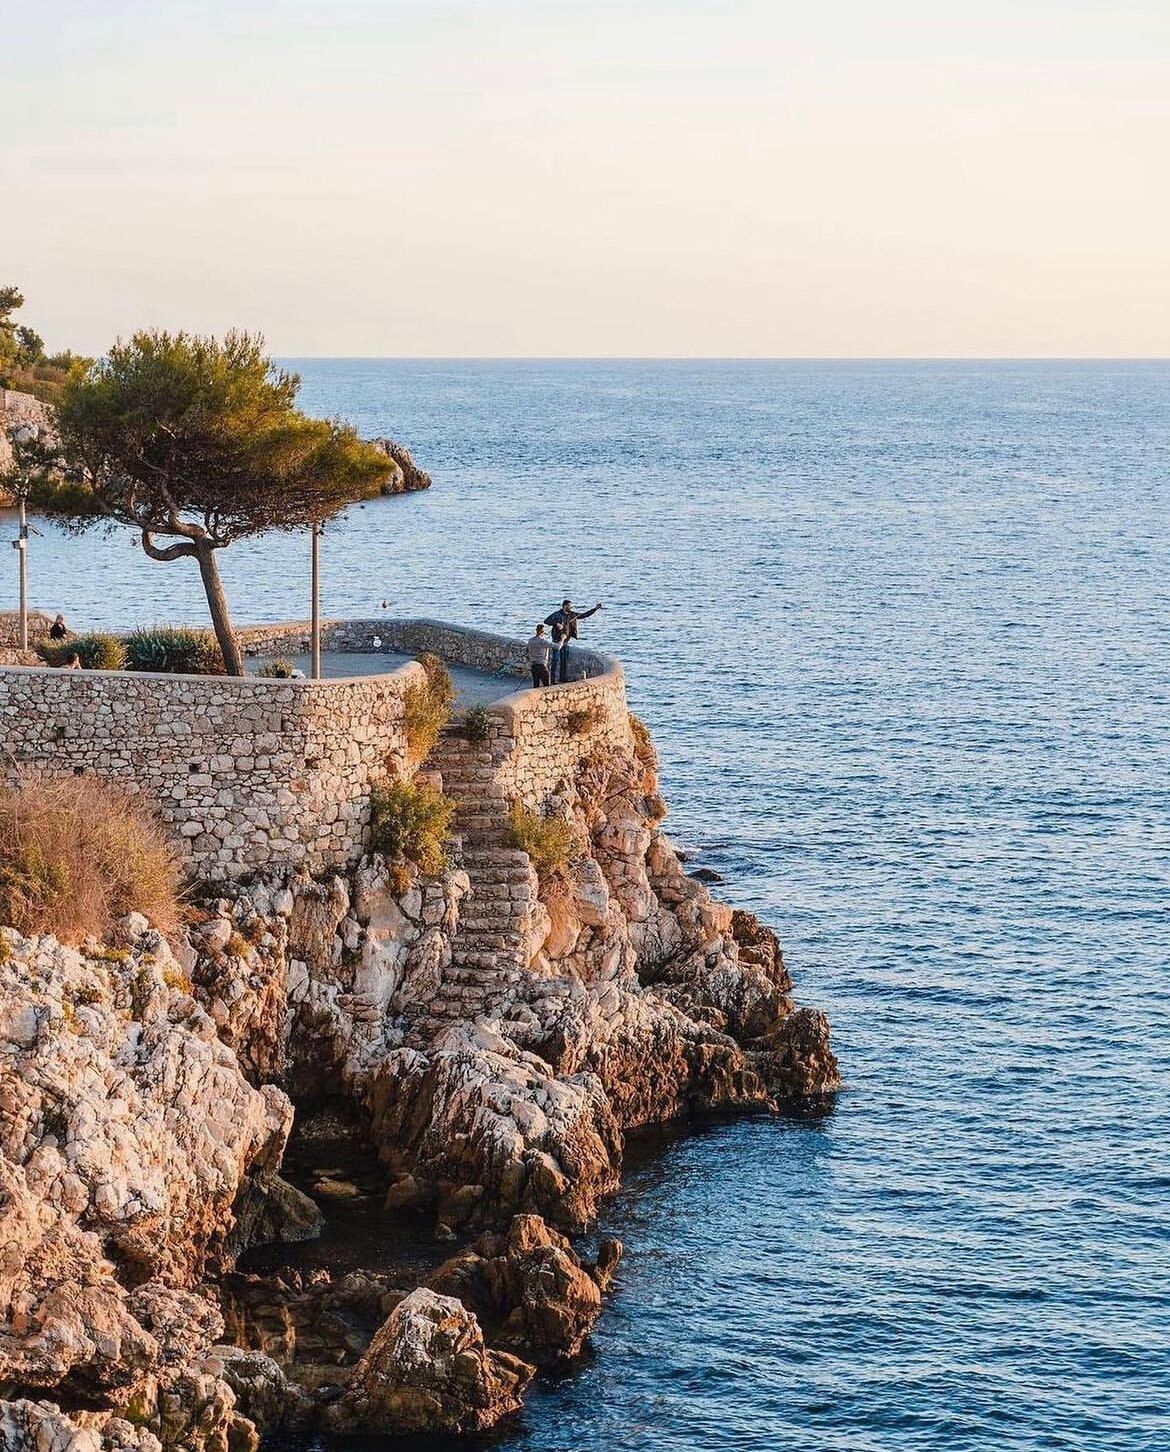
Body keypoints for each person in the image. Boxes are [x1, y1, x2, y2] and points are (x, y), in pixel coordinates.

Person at [544, 598, 602, 684]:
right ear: (564, 606)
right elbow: (546, 621)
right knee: (555, 661)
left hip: (566, 641)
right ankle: (552, 680)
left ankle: (562, 678)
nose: (571, 607)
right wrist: (556, 623)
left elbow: (584, 615)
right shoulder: (557, 614)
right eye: (569, 606)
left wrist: (595, 609)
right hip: (557, 640)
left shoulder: (572, 615)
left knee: (564, 661)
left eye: (571, 606)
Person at [526, 622, 552, 687]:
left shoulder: (530, 640)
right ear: (542, 631)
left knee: (536, 686)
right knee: (547, 687)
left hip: (533, 666)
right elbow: (558, 647)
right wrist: (563, 638)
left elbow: (527, 651)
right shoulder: (543, 641)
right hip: (542, 666)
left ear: (536, 630)